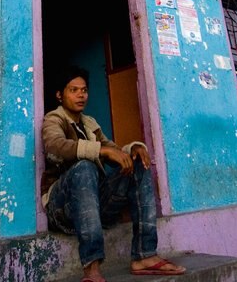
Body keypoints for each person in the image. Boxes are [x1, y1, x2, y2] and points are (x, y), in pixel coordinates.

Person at [41, 66, 185, 281]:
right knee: (85, 166)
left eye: (84, 90)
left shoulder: (89, 123)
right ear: (59, 95)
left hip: (96, 207)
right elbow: (55, 145)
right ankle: (91, 268)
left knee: (138, 164)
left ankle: (144, 255)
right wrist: (100, 150)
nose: (81, 95)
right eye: (74, 90)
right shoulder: (54, 119)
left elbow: (111, 147)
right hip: (63, 210)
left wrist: (133, 149)